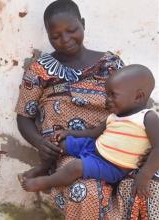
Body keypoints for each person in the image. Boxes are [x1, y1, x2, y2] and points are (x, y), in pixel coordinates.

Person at [15, 0, 127, 218]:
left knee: (151, 185)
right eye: (55, 36)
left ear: (83, 24)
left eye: (72, 30)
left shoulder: (111, 64)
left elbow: (132, 104)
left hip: (116, 146)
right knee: (86, 191)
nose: (65, 40)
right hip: (69, 152)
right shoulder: (39, 70)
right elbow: (24, 117)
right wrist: (39, 142)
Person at [20, 64, 159, 198]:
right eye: (107, 95)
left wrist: (145, 175)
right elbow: (93, 133)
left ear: (138, 97)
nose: (107, 100)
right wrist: (69, 133)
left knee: (75, 167)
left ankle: (45, 182)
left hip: (113, 166)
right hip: (95, 147)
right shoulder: (114, 116)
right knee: (60, 143)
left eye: (113, 95)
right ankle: (44, 167)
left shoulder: (148, 118)